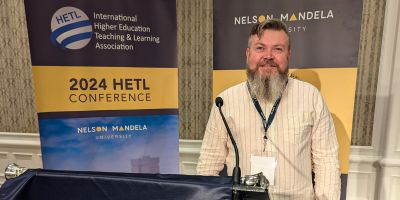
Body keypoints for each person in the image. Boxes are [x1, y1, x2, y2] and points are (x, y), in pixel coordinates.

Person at [197, 19, 341, 199]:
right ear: (248, 54)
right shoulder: (225, 101)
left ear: (288, 55)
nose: (268, 56)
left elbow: (326, 161)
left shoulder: (311, 97)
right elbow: (208, 163)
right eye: (260, 48)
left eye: (278, 49)